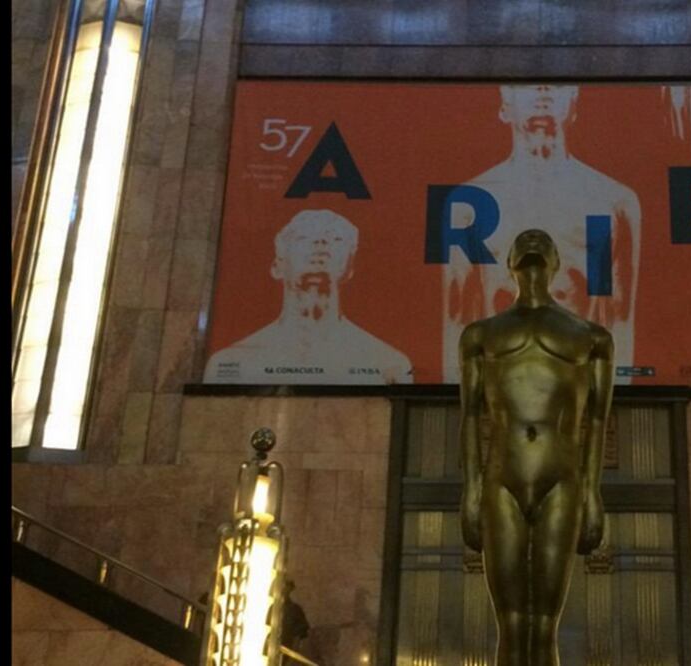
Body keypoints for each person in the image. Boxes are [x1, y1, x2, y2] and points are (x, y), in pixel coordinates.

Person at [458, 229, 614, 666]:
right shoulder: (480, 335)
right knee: (510, 623)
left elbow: (597, 421)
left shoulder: (591, 337)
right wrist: (470, 491)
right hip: (501, 478)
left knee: (544, 622)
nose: (532, 241)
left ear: (556, 263)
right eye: (523, 243)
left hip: (560, 479)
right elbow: (469, 416)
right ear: (510, 264)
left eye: (542, 242)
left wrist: (592, 493)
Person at [443, 85, 641, 384]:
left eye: (558, 85)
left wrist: (609, 397)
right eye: (522, 86)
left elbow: (619, 319)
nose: (542, 91)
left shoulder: (612, 200)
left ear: (574, 105)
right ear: (504, 107)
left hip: (573, 375)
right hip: (503, 377)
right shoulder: (468, 201)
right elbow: (457, 318)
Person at [204, 209, 413, 384]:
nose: (321, 242)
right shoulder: (232, 361)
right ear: (277, 267)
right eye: (303, 237)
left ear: (350, 269)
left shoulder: (388, 362)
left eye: (336, 238)